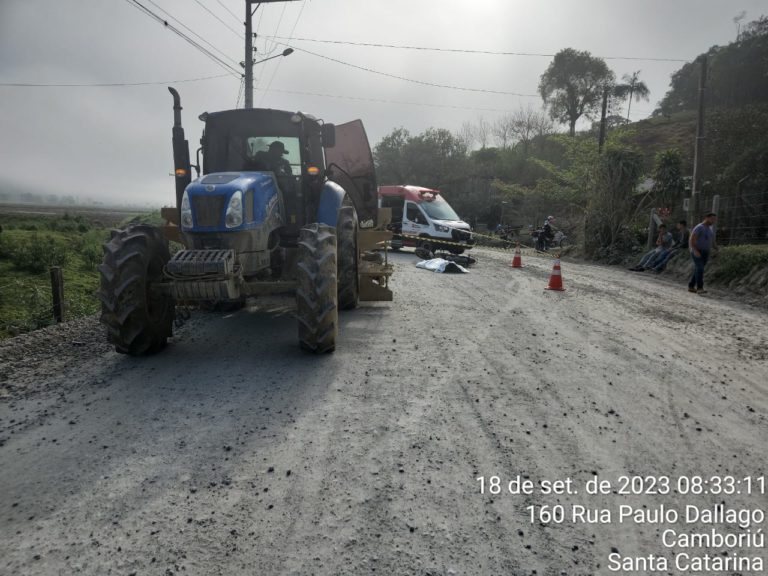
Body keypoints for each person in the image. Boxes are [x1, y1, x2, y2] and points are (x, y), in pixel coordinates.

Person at [688, 212, 717, 294]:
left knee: (698, 269)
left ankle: (691, 286)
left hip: (705, 252)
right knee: (700, 268)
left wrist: (716, 248)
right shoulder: (699, 227)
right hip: (697, 251)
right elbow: (692, 239)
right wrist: (695, 250)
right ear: (706, 218)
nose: (713, 221)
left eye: (714, 219)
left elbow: (712, 240)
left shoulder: (709, 229)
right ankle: (700, 288)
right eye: (712, 219)